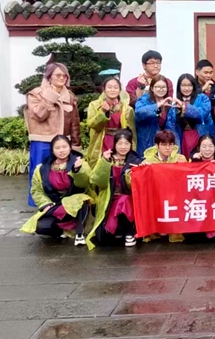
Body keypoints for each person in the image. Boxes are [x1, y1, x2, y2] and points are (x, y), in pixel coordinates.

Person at [25, 63, 81, 206]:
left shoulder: (70, 97)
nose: (62, 78)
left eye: (64, 76)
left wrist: (76, 144)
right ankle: (40, 206)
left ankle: (59, 205)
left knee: (62, 175)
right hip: (42, 142)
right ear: (49, 77)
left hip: (63, 142)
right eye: (58, 75)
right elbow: (39, 115)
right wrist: (50, 96)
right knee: (40, 175)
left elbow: (75, 123)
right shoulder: (35, 94)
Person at [20, 135, 92, 246]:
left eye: (64, 147)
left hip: (75, 205)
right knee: (41, 227)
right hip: (55, 205)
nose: (61, 150)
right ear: (52, 150)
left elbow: (85, 184)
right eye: (57, 148)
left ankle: (79, 233)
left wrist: (77, 171)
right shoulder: (42, 168)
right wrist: (45, 204)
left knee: (81, 200)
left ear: (70, 147)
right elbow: (36, 190)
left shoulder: (80, 163)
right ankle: (61, 231)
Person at [87, 128, 143, 249]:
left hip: (129, 199)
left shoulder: (136, 160)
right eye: (120, 143)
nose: (123, 147)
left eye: (126, 143)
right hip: (109, 199)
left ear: (131, 144)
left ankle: (129, 233)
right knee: (106, 236)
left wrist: (142, 169)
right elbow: (96, 181)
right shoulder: (107, 158)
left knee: (124, 200)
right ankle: (121, 230)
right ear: (114, 144)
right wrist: (105, 162)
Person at [85, 76, 136, 168]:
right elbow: (92, 124)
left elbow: (131, 132)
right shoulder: (94, 105)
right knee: (101, 167)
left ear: (120, 90)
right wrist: (102, 112)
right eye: (109, 87)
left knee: (119, 167)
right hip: (101, 140)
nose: (112, 90)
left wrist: (132, 148)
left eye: (115, 87)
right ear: (104, 90)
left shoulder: (127, 109)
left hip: (120, 141)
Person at [169, 73, 215, 159]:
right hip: (184, 138)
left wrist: (184, 107)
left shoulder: (202, 98)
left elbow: (202, 113)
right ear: (179, 87)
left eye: (189, 85)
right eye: (183, 85)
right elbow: (171, 125)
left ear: (194, 86)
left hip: (200, 135)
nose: (186, 88)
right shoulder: (175, 104)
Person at [134, 75, 176, 156]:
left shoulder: (168, 102)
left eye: (163, 87)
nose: (161, 89)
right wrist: (158, 105)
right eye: (158, 87)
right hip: (146, 140)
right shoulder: (144, 99)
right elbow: (139, 112)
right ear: (152, 88)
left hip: (163, 143)